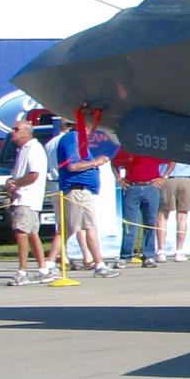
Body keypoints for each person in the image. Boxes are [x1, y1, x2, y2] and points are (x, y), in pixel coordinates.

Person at [50, 116, 118, 276]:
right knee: (89, 227)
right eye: (88, 127)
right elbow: (72, 166)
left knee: (67, 230)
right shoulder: (72, 139)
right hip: (78, 190)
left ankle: (48, 264)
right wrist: (96, 162)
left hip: (81, 190)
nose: (90, 131)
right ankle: (99, 264)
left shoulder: (77, 141)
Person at [2, 117, 51, 285]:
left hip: (27, 198)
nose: (12, 133)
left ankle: (22, 271)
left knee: (21, 232)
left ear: (26, 132)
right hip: (22, 198)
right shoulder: (21, 150)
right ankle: (43, 269)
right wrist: (11, 181)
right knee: (31, 233)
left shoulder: (34, 149)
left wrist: (15, 184)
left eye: (16, 129)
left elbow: (34, 175)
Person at [114, 148, 167, 267]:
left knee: (150, 223)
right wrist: (119, 179)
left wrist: (164, 177)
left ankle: (148, 256)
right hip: (132, 187)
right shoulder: (126, 148)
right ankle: (125, 256)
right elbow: (114, 163)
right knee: (129, 224)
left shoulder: (154, 149)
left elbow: (170, 161)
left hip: (151, 186)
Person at [159, 160, 190, 260]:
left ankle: (161, 251)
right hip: (186, 180)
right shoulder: (188, 145)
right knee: (182, 217)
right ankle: (179, 251)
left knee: (162, 216)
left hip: (167, 179)